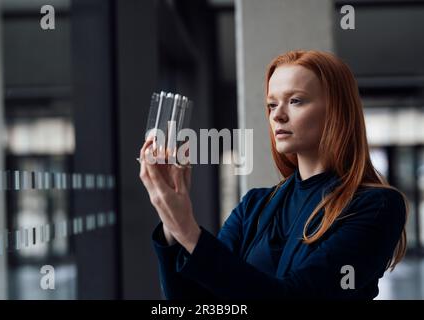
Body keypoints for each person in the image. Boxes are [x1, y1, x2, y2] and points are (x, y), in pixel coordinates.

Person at [139, 50, 408, 300]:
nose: (277, 115)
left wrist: (187, 228)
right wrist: (171, 223)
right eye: (271, 104)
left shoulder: (377, 206)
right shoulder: (254, 206)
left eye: (295, 101)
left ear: (337, 110)